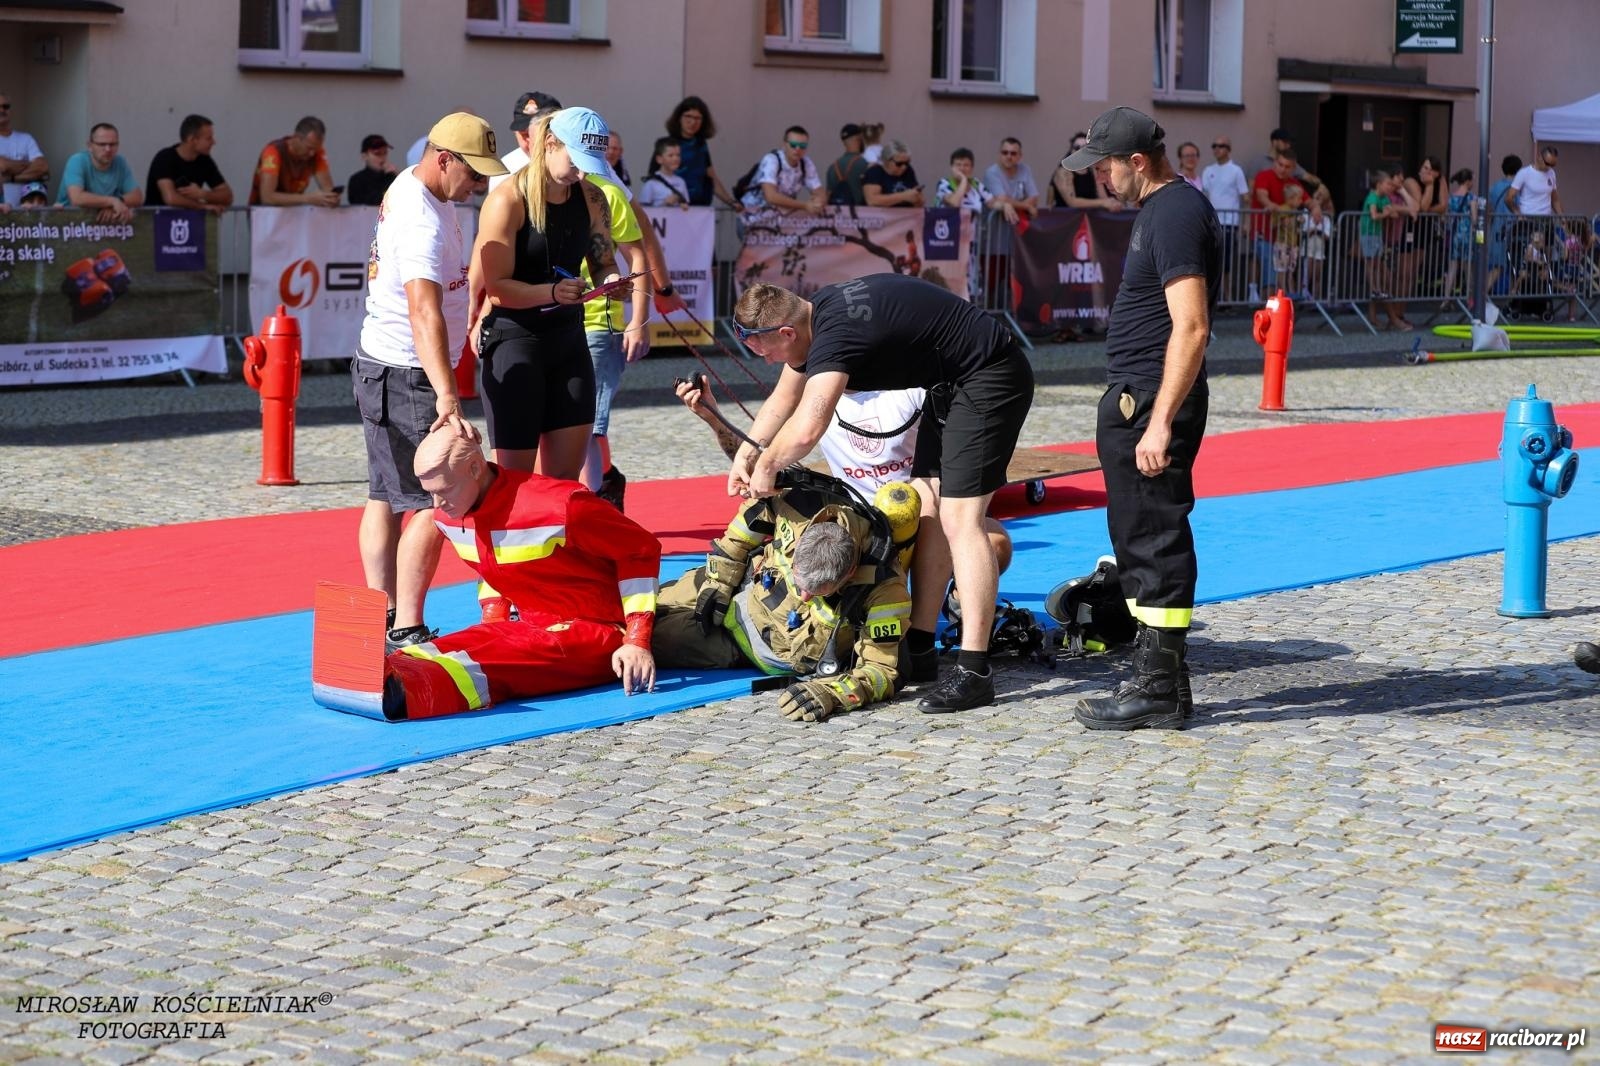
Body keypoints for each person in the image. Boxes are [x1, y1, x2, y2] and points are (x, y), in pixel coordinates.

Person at [727, 273, 1034, 713]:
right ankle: (922, 647)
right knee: (928, 499)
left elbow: (809, 425)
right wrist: (748, 454)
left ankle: (973, 670)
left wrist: (770, 465)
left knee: (961, 521)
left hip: (989, 376)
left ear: (787, 332)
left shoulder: (835, 338)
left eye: (767, 351)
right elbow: (782, 400)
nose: (767, 360)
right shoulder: (815, 318)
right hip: (948, 383)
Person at [1058, 106, 1220, 732]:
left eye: (1103, 166)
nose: (1098, 177)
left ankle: (1157, 685)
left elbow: (1193, 325)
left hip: (1152, 399)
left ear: (1136, 162)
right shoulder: (1161, 210)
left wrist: (1158, 421)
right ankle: (1162, 684)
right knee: (1137, 534)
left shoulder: (1175, 212)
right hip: (1140, 393)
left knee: (1154, 537)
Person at [315, 428, 660, 722]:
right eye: (430, 493)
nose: (436, 504)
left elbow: (640, 549)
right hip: (531, 622)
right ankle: (388, 668)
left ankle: (405, 691)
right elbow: (494, 567)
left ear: (476, 468)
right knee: (447, 646)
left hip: (599, 628)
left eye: (443, 490)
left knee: (490, 662)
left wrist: (637, 641)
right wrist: (493, 625)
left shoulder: (561, 505)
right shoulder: (452, 513)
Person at [352, 112, 505, 652]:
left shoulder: (417, 187)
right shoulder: (421, 216)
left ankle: (379, 614)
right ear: (444, 159)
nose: (478, 185)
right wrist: (445, 391)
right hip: (408, 371)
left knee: (383, 496)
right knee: (430, 502)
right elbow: (423, 309)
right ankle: (407, 626)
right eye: (473, 173)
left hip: (380, 362)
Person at [653, 477, 911, 724]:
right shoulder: (800, 506)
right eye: (799, 583)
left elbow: (881, 673)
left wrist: (832, 694)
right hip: (736, 584)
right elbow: (747, 525)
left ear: (851, 572)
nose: (804, 595)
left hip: (743, 646)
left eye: (818, 592)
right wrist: (719, 579)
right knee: (638, 606)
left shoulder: (885, 591)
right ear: (799, 545)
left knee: (641, 641)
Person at [470, 108, 616, 491]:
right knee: (514, 482)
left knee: (563, 484)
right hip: (515, 339)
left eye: (590, 165)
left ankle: (556, 551)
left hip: (568, 339)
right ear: (549, 144)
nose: (582, 174)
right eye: (576, 162)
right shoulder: (508, 199)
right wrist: (549, 292)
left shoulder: (592, 197)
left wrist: (613, 280)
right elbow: (496, 287)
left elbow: (603, 261)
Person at [572, 114, 651, 512]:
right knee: (571, 422)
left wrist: (638, 320)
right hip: (556, 319)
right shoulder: (539, 190)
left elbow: (638, 253)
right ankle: (600, 486)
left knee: (591, 424)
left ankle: (600, 496)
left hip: (598, 322)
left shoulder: (607, 191)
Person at [56, 123, 143, 223]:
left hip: (101, 227)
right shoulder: (77, 161)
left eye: (112, 144)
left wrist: (117, 204)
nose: (108, 149)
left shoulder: (120, 162)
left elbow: (137, 196)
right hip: (70, 226)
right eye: (102, 144)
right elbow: (77, 198)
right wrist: (112, 201)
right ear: (90, 146)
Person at [145, 114, 233, 213]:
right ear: (192, 140)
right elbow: (170, 198)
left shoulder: (205, 160)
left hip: (189, 224)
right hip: (156, 223)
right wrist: (201, 206)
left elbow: (228, 196)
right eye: (209, 138)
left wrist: (202, 194)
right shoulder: (164, 158)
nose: (214, 142)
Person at [1249, 147, 1306, 301]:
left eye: (1287, 166)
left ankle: (1282, 306)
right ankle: (1269, 307)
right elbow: (1262, 196)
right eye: (1280, 164)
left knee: (1285, 270)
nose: (1282, 169)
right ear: (1275, 162)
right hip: (1264, 232)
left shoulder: (1294, 183)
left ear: (1293, 168)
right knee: (1270, 270)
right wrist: (1276, 208)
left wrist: (1316, 209)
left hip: (1285, 240)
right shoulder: (1264, 176)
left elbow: (1307, 200)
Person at [665, 96, 739, 208]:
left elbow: (711, 177)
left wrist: (730, 201)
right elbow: (655, 178)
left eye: (698, 118)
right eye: (688, 116)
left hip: (700, 208)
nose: (693, 122)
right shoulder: (667, 144)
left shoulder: (701, 145)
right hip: (675, 208)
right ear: (679, 118)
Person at [1200, 134, 1249, 301]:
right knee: (1210, 260)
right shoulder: (1208, 170)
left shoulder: (1236, 171)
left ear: (1228, 149)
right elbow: (1204, 194)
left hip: (1229, 223)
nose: (1216, 149)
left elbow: (1246, 197)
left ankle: (1227, 297)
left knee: (1226, 262)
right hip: (1212, 223)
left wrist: (1246, 222)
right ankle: (1213, 297)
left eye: (1220, 146)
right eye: (1214, 146)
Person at [250, 116, 339, 206]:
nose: (312, 153)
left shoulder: (317, 153)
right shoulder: (273, 151)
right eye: (309, 148)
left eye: (316, 149)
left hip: (292, 214)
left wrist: (331, 198)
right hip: (264, 215)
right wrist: (308, 198)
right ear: (296, 138)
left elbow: (328, 188)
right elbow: (267, 197)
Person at [740, 125, 825, 215]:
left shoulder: (806, 162)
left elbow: (819, 190)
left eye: (802, 146)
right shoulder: (772, 160)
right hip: (752, 215)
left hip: (780, 216)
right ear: (784, 144)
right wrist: (804, 205)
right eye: (793, 145)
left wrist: (819, 201)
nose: (797, 149)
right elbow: (771, 196)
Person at [489, 90, 563, 193]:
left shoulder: (579, 163)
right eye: (524, 135)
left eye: (540, 133)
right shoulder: (506, 169)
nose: (531, 141)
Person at [1051, 131, 1123, 213]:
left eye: (1085, 148)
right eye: (1077, 147)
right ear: (1071, 150)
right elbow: (1072, 202)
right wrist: (1103, 203)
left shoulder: (1092, 170)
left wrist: (1113, 203)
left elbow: (1103, 196)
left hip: (1088, 220)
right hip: (1067, 220)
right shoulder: (1063, 172)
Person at [0, 92, 48, 209]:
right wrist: (29, 165)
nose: (2, 110)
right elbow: (3, 165)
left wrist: (11, 177)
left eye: (6, 106)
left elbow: (43, 167)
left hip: (26, 210)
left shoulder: (26, 138)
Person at [1485, 154, 1522, 295]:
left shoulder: (1494, 187)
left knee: (1498, 264)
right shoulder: (1516, 189)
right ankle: (1480, 297)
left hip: (1496, 229)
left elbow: (1489, 209)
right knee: (1508, 266)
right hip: (1513, 230)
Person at [1441, 167, 1476, 306]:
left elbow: (1445, 218)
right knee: (1468, 269)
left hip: (1455, 235)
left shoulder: (1452, 197)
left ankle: (1445, 298)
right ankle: (1469, 298)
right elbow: (1474, 218)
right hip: (1467, 234)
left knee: (1452, 267)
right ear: (1467, 181)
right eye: (1472, 179)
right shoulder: (1472, 198)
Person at [861, 140, 924, 208]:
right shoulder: (875, 172)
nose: (904, 167)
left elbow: (919, 198)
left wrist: (917, 198)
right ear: (887, 161)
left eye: (907, 163)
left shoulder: (908, 171)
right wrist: (903, 196)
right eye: (899, 164)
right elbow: (872, 201)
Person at [346, 134, 399, 206]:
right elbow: (363, 203)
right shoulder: (357, 180)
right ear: (364, 156)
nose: (382, 157)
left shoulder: (392, 177)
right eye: (377, 154)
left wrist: (399, 177)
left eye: (385, 153)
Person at [826, 123, 870, 206]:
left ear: (844, 142)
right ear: (859, 139)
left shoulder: (832, 168)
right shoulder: (865, 165)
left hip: (838, 216)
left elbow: (827, 196)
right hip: (861, 215)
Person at [639, 137, 690, 207]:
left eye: (678, 155)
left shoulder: (681, 182)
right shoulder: (651, 183)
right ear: (659, 159)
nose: (675, 159)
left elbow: (688, 206)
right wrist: (665, 203)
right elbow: (643, 210)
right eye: (670, 155)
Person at [1302, 191, 1332, 300]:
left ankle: (1316, 298)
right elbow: (1303, 232)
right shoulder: (1306, 216)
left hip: (1320, 249)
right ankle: (1303, 293)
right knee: (1307, 272)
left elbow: (1328, 236)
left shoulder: (1326, 219)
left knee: (1318, 275)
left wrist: (1319, 230)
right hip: (1308, 248)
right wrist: (1313, 227)